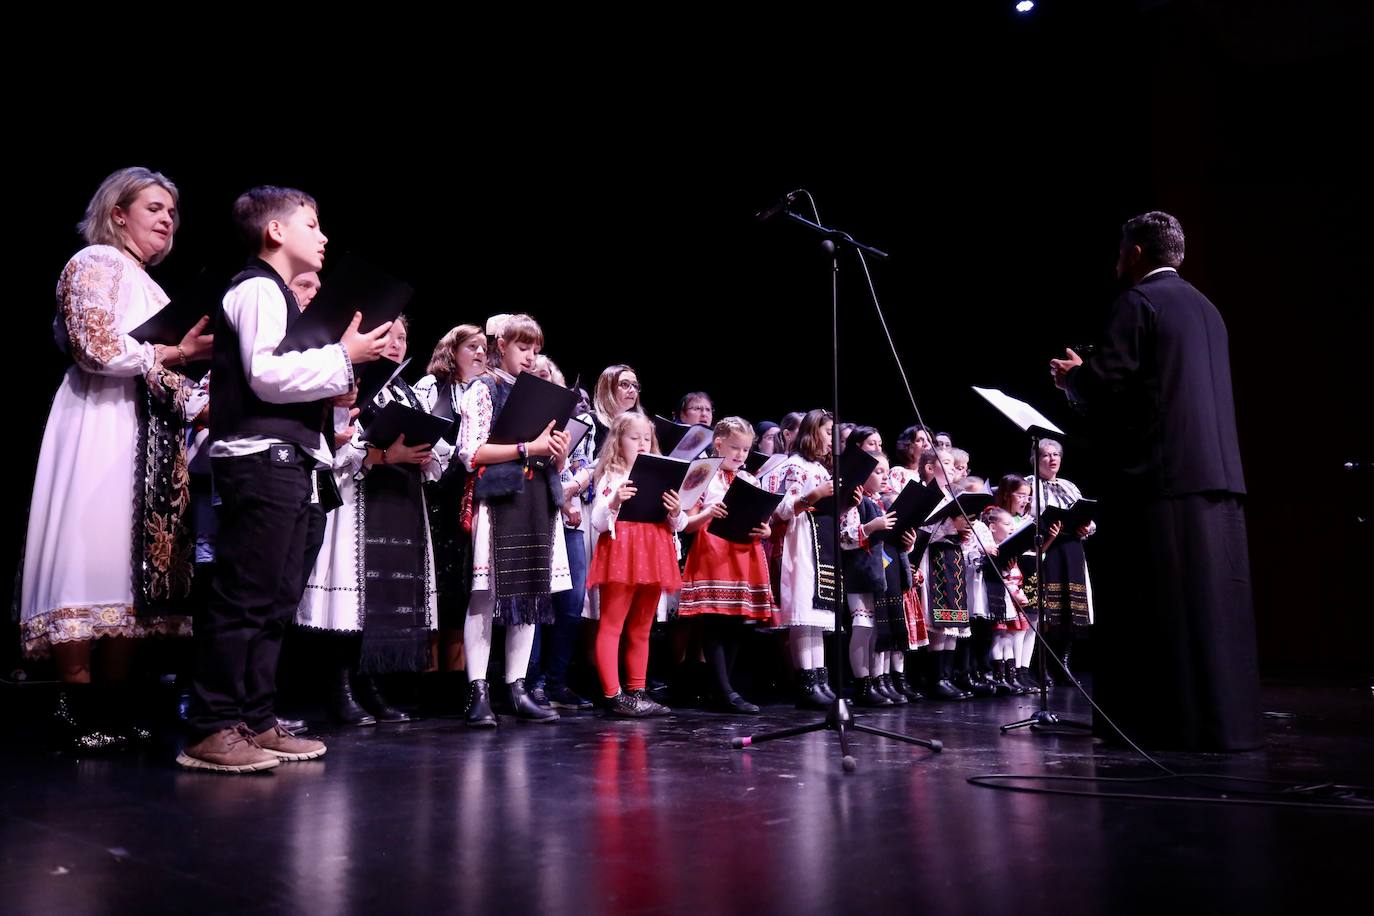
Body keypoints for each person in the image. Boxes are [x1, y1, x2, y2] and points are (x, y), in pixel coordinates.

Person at [180, 186, 391, 772]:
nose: (323, 236)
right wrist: (343, 356)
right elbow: (266, 374)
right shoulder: (255, 289)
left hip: (293, 460)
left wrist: (336, 376)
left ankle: (254, 717)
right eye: (313, 224)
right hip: (259, 457)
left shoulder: (279, 298)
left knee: (275, 602)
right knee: (245, 597)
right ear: (275, 232)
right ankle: (212, 726)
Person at [1050, 210, 1260, 751]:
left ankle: (1159, 726)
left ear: (1137, 252)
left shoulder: (1138, 302)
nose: (1117, 259)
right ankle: (1224, 724)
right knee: (1212, 602)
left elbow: (1111, 382)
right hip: (1217, 477)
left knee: (1156, 603)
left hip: (1160, 481)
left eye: (1121, 249)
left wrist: (1075, 379)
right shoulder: (1209, 309)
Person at [22, 167, 212, 753]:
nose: (166, 220)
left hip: (149, 432)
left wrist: (204, 399)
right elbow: (96, 345)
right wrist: (175, 351)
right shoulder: (93, 263)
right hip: (99, 423)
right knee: (92, 555)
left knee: (134, 575)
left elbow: (167, 375)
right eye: (154, 207)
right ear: (118, 213)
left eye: (172, 213)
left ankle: (113, 705)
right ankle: (72, 706)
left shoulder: (154, 289)